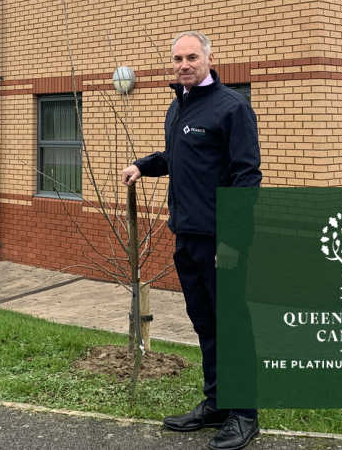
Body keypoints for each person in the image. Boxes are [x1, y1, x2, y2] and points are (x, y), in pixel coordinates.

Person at [121, 31, 261, 450]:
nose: (184, 64)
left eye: (192, 57)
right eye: (178, 58)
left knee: (232, 325)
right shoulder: (178, 106)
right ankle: (217, 403)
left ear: (209, 58)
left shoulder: (232, 107)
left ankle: (245, 415)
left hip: (222, 241)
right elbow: (176, 157)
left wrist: (232, 243)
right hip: (186, 235)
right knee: (206, 323)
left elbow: (245, 178)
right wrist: (143, 166)